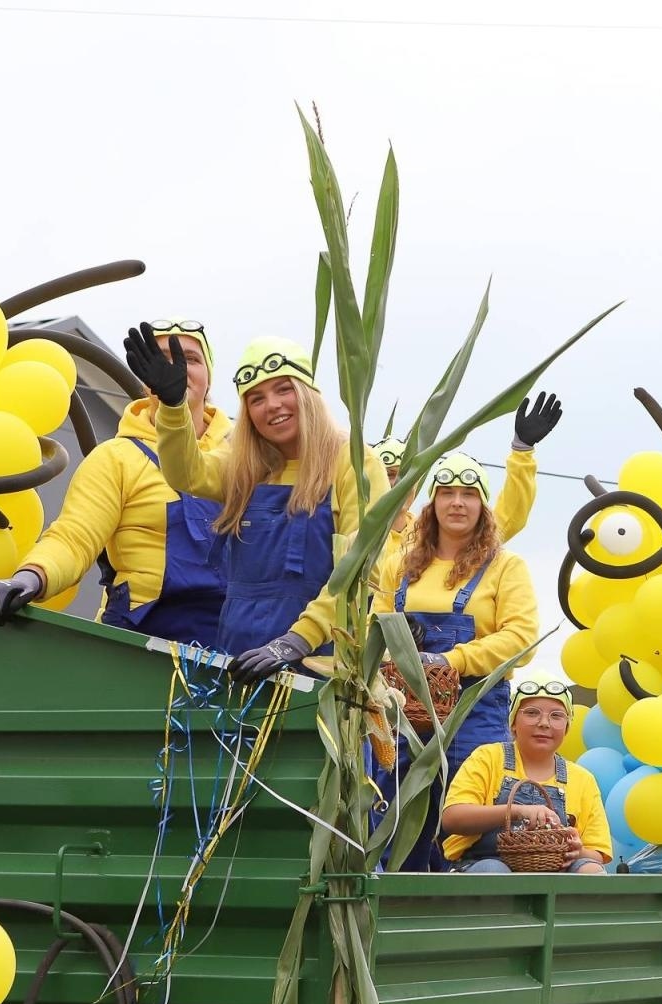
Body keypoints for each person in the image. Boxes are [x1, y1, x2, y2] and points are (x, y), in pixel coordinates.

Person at [126, 326, 388, 684]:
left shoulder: (353, 461)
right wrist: (174, 409)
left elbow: (361, 571)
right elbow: (188, 475)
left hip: (321, 667)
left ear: (308, 393)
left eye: (284, 389)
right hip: (242, 660)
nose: (273, 405)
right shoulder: (244, 464)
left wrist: (297, 640)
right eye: (256, 397)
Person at [0, 319, 231, 646]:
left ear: (209, 379)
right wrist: (29, 578)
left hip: (234, 647)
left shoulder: (245, 459)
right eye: (161, 357)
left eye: (190, 359)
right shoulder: (116, 458)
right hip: (139, 642)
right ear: (147, 378)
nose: (176, 367)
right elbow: (74, 537)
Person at [371, 451, 540, 871]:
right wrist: (396, 656)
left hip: (474, 707)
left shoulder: (505, 566)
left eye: (469, 493)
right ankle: (397, 903)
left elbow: (522, 639)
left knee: (464, 817)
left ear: (484, 506)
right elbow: (371, 626)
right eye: (447, 493)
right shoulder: (399, 566)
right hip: (401, 713)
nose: (457, 503)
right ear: (432, 504)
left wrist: (449, 661)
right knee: (395, 812)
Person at [442, 675, 611, 874]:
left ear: (567, 728)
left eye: (556, 716)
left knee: (591, 870)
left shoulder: (583, 779)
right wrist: (516, 811)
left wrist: (578, 850)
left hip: (557, 872)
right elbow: (452, 819)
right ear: (513, 723)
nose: (544, 723)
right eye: (532, 713)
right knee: (493, 870)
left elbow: (598, 854)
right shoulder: (488, 757)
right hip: (483, 864)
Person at [373, 391, 561, 539]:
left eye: (405, 476)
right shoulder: (352, 536)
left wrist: (522, 449)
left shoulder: (431, 538)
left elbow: (509, 518)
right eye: (387, 474)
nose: (396, 483)